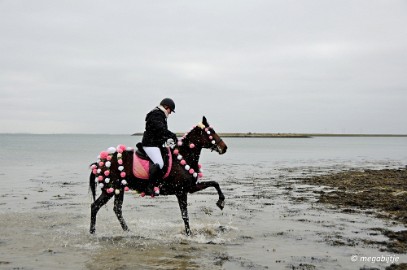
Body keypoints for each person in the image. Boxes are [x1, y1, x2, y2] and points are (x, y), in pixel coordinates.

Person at [141, 98, 177, 196]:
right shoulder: (156, 114)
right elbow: (160, 129)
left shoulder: (160, 114)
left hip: (156, 144)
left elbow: (160, 133)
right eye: (170, 110)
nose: (170, 113)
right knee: (160, 164)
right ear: (166, 107)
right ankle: (149, 186)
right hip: (150, 144)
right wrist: (172, 135)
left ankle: (161, 184)